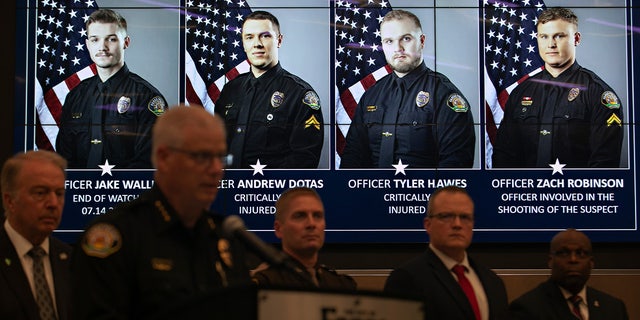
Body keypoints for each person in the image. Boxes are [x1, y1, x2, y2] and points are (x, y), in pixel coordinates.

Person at [71, 105, 251, 319]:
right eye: (202, 157)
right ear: (164, 158)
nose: (215, 170)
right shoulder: (117, 237)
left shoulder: (226, 237)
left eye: (220, 158)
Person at [341, 9, 475, 168]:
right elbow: (353, 160)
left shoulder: (444, 95)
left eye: (405, 38)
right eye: (389, 41)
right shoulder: (371, 95)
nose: (397, 48)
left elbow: (455, 168)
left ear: (422, 41)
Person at [492, 7, 623, 168]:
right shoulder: (521, 92)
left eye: (559, 36)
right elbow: (504, 156)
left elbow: (604, 163)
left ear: (576, 39)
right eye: (544, 36)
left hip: (576, 192)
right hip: (525, 191)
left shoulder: (598, 93)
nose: (551, 44)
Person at [56, 8, 168, 169]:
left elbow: (149, 162)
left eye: (111, 39)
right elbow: (64, 158)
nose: (102, 47)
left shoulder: (147, 97)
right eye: (95, 39)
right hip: (80, 192)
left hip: (128, 192)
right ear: (87, 45)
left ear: (126, 42)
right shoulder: (76, 96)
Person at [214, 11, 324, 169]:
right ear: (243, 43)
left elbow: (304, 160)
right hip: (228, 188)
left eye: (265, 36)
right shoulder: (230, 90)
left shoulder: (299, 94)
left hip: (273, 191)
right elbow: (217, 147)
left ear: (279, 40)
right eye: (249, 37)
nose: (257, 44)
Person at [383, 186, 509, 320]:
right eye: (447, 216)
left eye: (465, 217)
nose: (457, 224)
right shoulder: (406, 279)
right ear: (428, 224)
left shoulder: (493, 282)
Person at [0, 150, 72, 320]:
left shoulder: (72, 261)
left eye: (59, 194)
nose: (53, 204)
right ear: (10, 201)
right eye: (40, 193)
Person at [509, 229, 629, 320]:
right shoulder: (527, 308)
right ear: (551, 261)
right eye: (564, 253)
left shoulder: (614, 308)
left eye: (580, 253)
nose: (573, 259)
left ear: (591, 263)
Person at [252, 187, 356, 290]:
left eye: (317, 216)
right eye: (300, 216)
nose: (311, 224)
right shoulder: (264, 285)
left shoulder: (342, 285)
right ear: (279, 229)